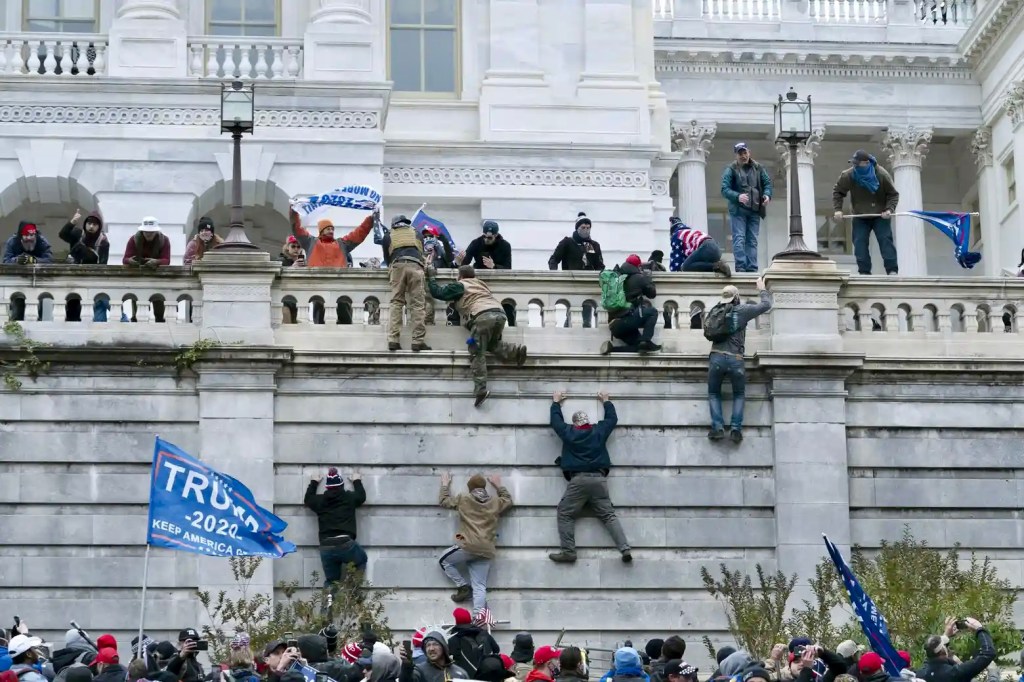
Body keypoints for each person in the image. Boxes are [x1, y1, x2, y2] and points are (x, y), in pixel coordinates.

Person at [548, 390, 631, 563]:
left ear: (575, 423)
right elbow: (612, 420)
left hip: (578, 480)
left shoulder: (569, 432)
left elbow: (555, 422)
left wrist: (556, 403)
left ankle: (569, 551)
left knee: (564, 513)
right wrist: (606, 401)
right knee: (608, 515)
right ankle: (624, 549)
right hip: (599, 480)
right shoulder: (598, 431)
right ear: (588, 421)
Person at [427, 265, 527, 407]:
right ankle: (516, 352)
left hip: (482, 317)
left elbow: (438, 293)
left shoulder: (461, 285)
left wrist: (431, 277)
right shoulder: (481, 285)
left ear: (460, 276)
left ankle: (480, 390)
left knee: (476, 351)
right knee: (490, 344)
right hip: (499, 314)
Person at [706, 279, 772, 443]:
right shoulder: (742, 310)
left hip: (716, 357)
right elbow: (766, 305)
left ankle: (717, 428)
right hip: (735, 359)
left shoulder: (716, 311)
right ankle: (735, 430)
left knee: (714, 393)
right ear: (736, 297)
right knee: (739, 394)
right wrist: (762, 289)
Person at [438, 473, 514, 612]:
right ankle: (478, 619)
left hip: (468, 545)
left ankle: (463, 586)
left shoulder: (463, 498)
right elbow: (508, 500)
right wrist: (498, 485)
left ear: (470, 488)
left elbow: (444, 501)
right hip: (486, 550)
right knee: (479, 586)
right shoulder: (495, 501)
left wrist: (445, 484)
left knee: (444, 560)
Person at [832, 150, 900, 276]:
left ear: (867, 163)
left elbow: (893, 194)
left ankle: (892, 270)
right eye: (854, 164)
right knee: (859, 242)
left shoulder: (881, 174)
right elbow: (838, 192)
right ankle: (864, 272)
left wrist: (889, 209)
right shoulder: (849, 175)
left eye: (858, 164)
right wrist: (838, 210)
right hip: (860, 215)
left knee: (885, 240)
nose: (855, 166)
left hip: (880, 215)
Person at [305, 467, 368, 586]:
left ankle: (328, 604)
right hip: (346, 544)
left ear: (327, 487)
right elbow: (361, 496)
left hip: (326, 545)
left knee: (331, 581)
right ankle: (352, 595)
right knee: (361, 560)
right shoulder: (349, 498)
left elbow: (308, 499)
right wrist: (356, 480)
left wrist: (313, 482)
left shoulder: (320, 501)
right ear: (342, 486)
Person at [721, 142, 772, 273]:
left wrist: (767, 195)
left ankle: (752, 268)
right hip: (738, 211)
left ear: (749, 152)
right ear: (736, 155)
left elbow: (767, 183)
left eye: (745, 152)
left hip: (755, 210)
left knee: (752, 240)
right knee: (739, 238)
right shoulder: (731, 169)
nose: (743, 156)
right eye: (740, 153)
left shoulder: (758, 168)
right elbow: (724, 189)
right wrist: (737, 196)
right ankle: (741, 267)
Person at [382, 214, 430, 352]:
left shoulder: (388, 235)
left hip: (397, 266)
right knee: (418, 305)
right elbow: (421, 252)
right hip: (415, 266)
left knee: (396, 302)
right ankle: (417, 341)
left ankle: (393, 340)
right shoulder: (416, 233)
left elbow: (387, 258)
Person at [549, 212, 603, 328]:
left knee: (586, 314)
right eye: (583, 228)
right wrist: (554, 275)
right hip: (572, 282)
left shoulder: (593, 245)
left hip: (588, 284)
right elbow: (554, 259)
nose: (586, 230)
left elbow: (599, 264)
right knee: (573, 312)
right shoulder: (568, 242)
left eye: (588, 228)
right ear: (577, 228)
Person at [601, 254, 661, 355]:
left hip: (614, 325)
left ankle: (612, 349)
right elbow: (652, 294)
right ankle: (646, 340)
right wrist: (648, 278)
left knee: (639, 347)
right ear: (638, 266)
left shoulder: (617, 277)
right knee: (652, 312)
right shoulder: (639, 278)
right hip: (628, 319)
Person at [288, 206, 374, 268]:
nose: (331, 231)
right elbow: (297, 229)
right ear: (321, 231)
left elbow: (359, 234)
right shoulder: (310, 242)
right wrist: (294, 212)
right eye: (328, 229)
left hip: (337, 284)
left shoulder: (342, 244)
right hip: (315, 284)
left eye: (332, 229)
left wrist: (370, 220)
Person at [917, 617, 995, 682]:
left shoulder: (921, 673)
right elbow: (988, 654)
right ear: (942, 651)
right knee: (993, 672)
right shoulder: (955, 673)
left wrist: (946, 635)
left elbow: (932, 653)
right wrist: (980, 629)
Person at [446, 608, 500, 679]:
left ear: (456, 621)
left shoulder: (454, 639)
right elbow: (496, 649)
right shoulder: (484, 634)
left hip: (465, 677)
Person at [398, 631, 469, 682]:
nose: (431, 649)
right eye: (428, 645)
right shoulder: (420, 671)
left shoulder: (460, 673)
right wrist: (406, 665)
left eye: (435, 644)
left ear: (444, 647)